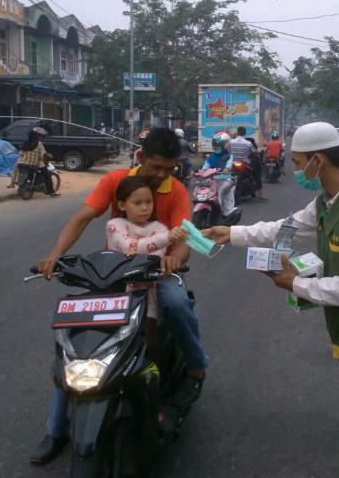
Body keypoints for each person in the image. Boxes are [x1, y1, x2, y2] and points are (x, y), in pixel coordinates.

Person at [204, 122, 339, 478]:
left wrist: (296, 285)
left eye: (298, 164)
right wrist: (232, 233)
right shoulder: (329, 201)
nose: (296, 171)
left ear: (318, 161)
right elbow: (287, 227)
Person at [31, 127, 208, 465]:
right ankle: (55, 430)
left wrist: (176, 258)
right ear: (141, 158)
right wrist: (54, 254)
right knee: (74, 343)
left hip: (159, 273)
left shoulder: (178, 191)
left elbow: (184, 236)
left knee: (175, 304)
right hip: (113, 274)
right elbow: (82, 217)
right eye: (156, 167)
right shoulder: (115, 181)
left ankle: (197, 366)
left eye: (169, 169)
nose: (162, 176)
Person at [106, 175, 188, 317]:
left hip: (149, 285)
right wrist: (167, 238)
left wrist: (165, 239)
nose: (145, 208)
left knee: (171, 307)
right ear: (122, 205)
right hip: (118, 283)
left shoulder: (159, 228)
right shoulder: (114, 225)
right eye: (137, 203)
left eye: (149, 202)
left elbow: (156, 256)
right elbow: (129, 247)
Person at [9, 128, 59, 197]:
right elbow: (43, 154)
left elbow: (21, 153)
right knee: (46, 174)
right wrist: (46, 158)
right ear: (36, 136)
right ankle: (51, 192)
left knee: (16, 169)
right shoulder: (39, 143)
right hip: (33, 163)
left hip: (21, 162)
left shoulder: (25, 143)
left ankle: (12, 183)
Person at [201, 131, 237, 218]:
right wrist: (201, 172)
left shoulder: (229, 156)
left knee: (223, 192)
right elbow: (205, 167)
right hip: (212, 179)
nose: (216, 146)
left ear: (226, 144)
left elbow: (228, 167)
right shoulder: (211, 156)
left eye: (219, 144)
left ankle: (227, 212)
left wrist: (224, 171)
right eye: (215, 143)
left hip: (225, 178)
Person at [229, 126, 266, 201]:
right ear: (244, 133)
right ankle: (260, 193)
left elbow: (227, 151)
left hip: (232, 164)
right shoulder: (248, 143)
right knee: (257, 174)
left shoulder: (231, 142)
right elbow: (255, 152)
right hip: (244, 165)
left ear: (237, 132)